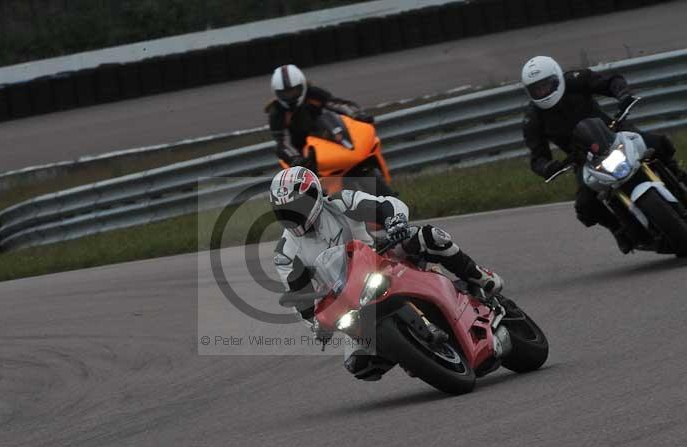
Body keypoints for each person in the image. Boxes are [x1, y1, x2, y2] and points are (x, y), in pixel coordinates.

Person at [270, 166, 503, 382]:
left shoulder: (341, 202)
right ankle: (411, 354)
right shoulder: (286, 253)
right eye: (285, 211)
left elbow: (385, 205)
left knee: (428, 237)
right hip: (349, 298)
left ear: (314, 197)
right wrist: (316, 325)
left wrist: (395, 222)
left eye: (297, 207)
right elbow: (300, 297)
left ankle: (478, 275)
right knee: (359, 364)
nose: (293, 215)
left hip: (383, 259)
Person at [521, 55, 687, 253]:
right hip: (583, 158)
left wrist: (623, 94)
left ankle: (678, 176)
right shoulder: (533, 118)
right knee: (585, 206)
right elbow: (537, 156)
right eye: (537, 89)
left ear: (557, 78)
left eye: (546, 85)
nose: (542, 91)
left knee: (659, 143)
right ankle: (618, 229)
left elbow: (610, 81)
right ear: (529, 92)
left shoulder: (575, 80)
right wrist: (548, 167)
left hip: (614, 133)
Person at [266, 64, 373, 169]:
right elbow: (283, 142)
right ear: (276, 93)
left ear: (302, 85)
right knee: (303, 175)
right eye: (285, 93)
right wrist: (295, 158)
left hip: (325, 135)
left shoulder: (312, 93)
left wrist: (357, 114)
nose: (290, 96)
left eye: (294, 91)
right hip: (301, 149)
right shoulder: (277, 112)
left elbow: (337, 104)